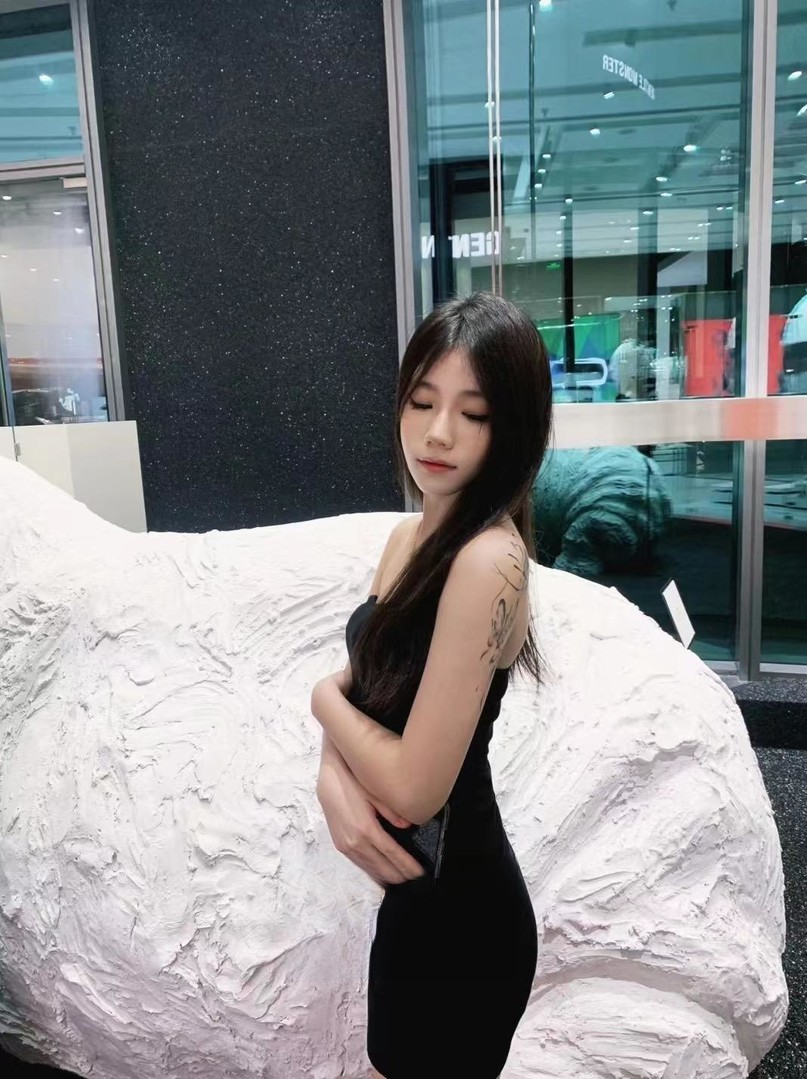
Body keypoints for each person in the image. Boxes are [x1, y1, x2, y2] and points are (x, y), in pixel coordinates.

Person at [309, 291, 553, 1079]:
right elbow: (369, 690)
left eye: (473, 413)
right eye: (421, 401)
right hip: (415, 902)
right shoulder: (406, 537)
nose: (437, 432)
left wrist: (317, 701)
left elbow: (414, 788)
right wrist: (330, 772)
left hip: (464, 922)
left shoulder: (488, 560)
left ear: (513, 427)